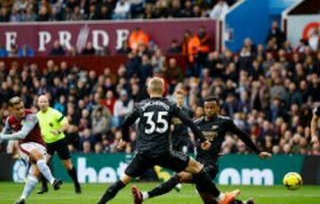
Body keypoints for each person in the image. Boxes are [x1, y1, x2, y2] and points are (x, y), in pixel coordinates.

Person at [97, 77, 240, 204]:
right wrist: (202, 139)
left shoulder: (141, 105)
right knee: (198, 168)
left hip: (143, 154)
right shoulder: (170, 105)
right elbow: (188, 121)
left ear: (148, 90)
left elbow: (125, 123)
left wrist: (125, 139)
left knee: (122, 181)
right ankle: (222, 198)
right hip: (164, 153)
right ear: (164, 90)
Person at [132, 96, 272, 204]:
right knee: (211, 202)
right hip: (197, 164)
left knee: (179, 176)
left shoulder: (224, 122)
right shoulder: (197, 123)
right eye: (207, 107)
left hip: (209, 166)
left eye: (212, 107)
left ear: (218, 108)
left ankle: (144, 196)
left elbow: (242, 135)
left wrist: (258, 151)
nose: (209, 110)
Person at [0, 96, 62, 204]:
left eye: (22, 107)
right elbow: (4, 133)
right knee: (37, 156)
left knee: (36, 172)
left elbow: (22, 134)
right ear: (11, 110)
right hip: (25, 145)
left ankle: (22, 199)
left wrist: (2, 137)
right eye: (18, 109)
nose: (21, 110)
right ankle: (53, 180)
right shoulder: (10, 120)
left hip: (40, 145)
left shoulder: (31, 116)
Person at [36, 95, 81, 194]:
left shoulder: (54, 113)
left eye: (45, 102)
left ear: (48, 103)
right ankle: (44, 186)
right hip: (47, 143)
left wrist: (58, 131)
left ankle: (77, 184)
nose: (43, 103)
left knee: (68, 165)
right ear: (38, 103)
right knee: (42, 163)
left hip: (59, 141)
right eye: (41, 102)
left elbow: (66, 124)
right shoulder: (37, 116)